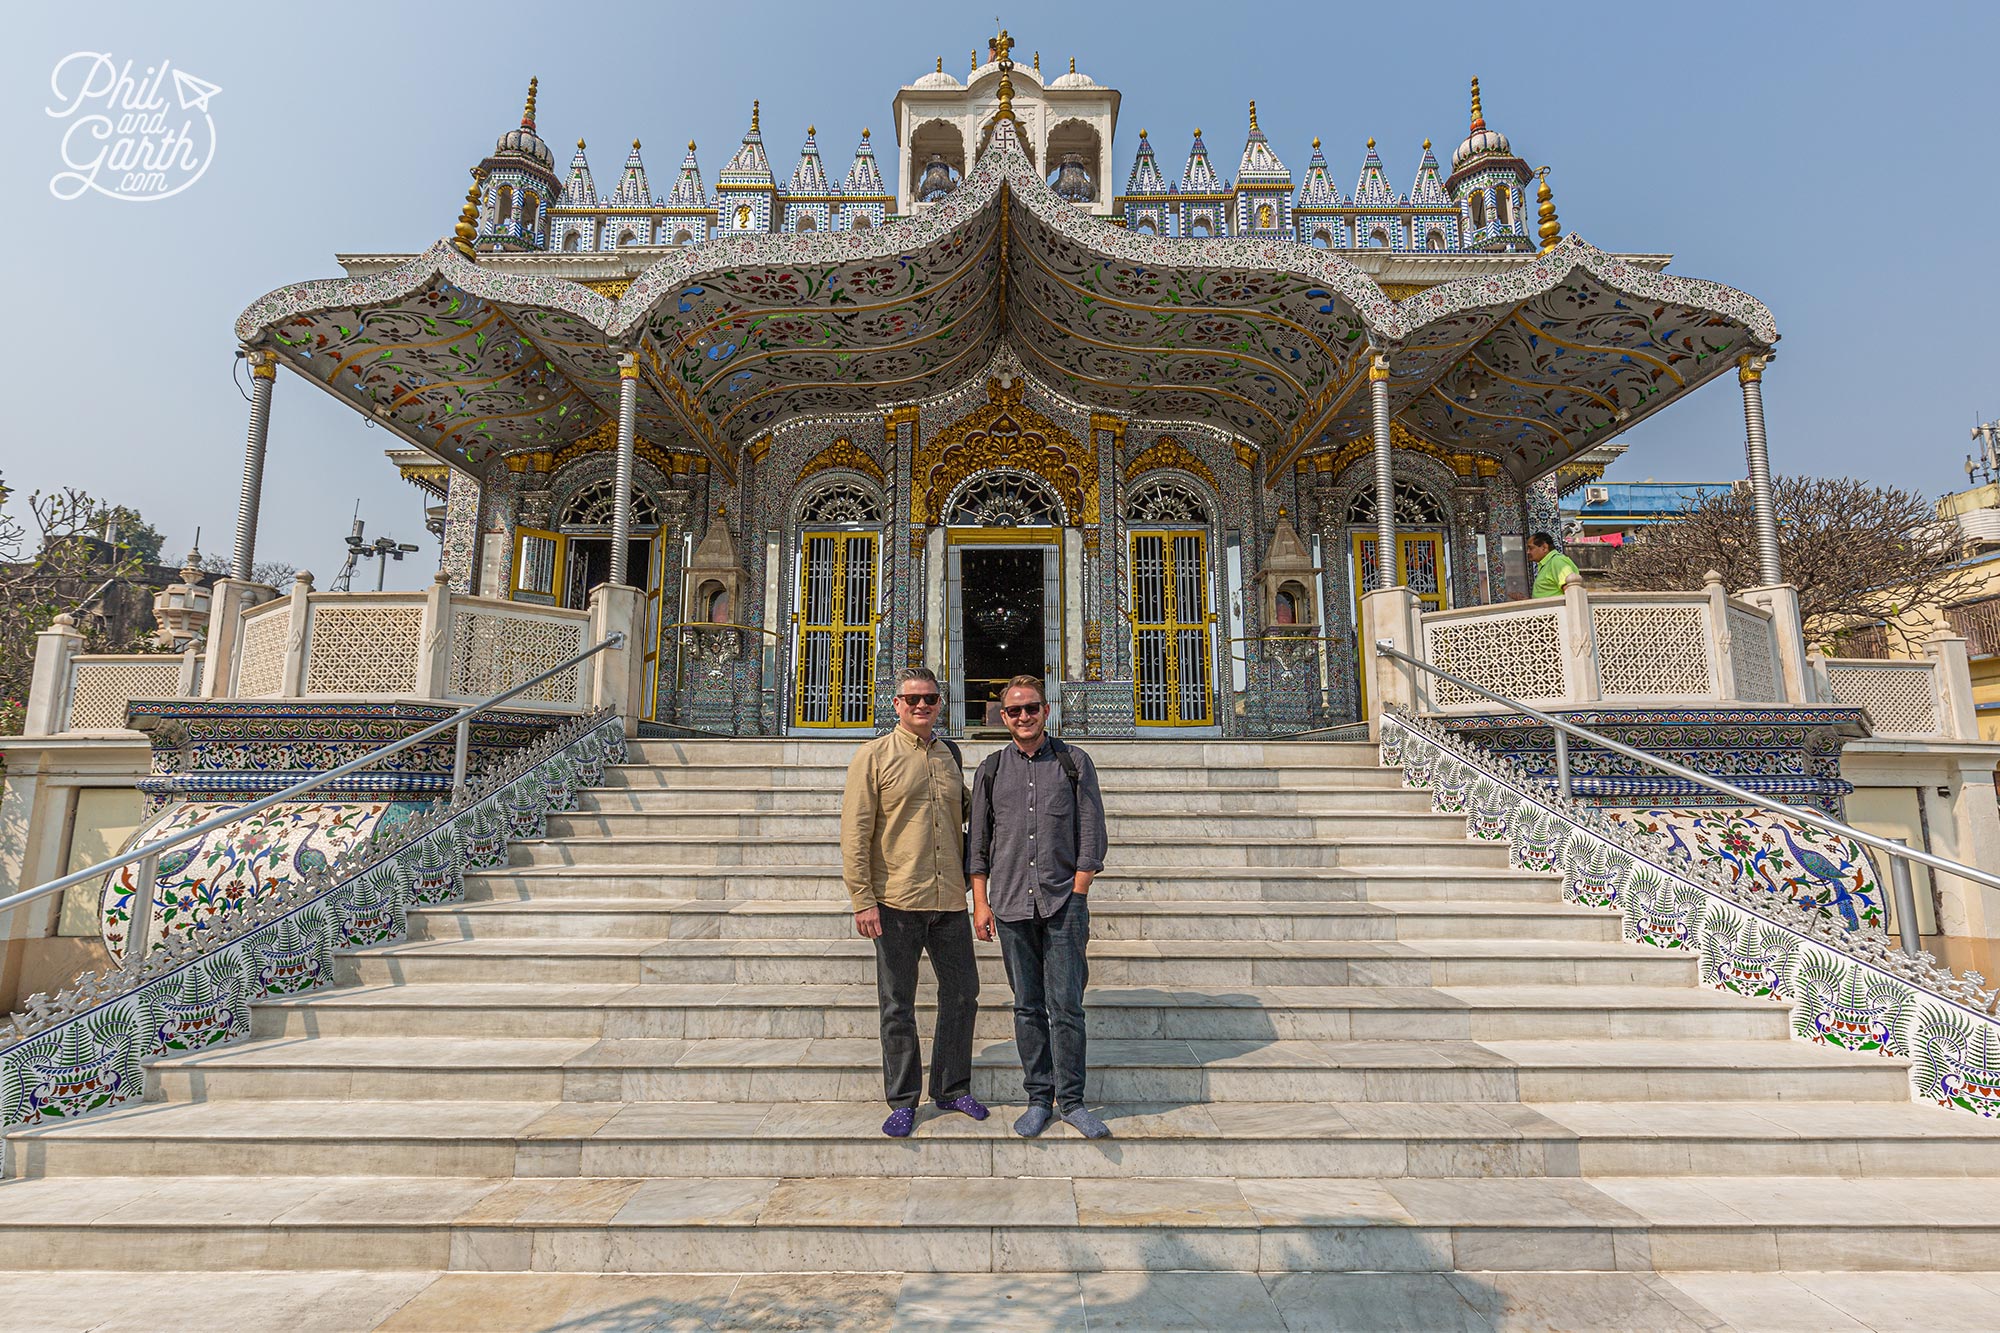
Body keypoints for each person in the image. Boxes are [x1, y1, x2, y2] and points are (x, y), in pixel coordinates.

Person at [840, 666, 987, 1138]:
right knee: (897, 1003)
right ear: (897, 704)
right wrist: (862, 899)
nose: (922, 706)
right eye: (913, 699)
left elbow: (968, 812)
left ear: (940, 703)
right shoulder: (874, 756)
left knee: (962, 994)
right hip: (896, 900)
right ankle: (903, 1099)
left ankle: (950, 1086)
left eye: (930, 698)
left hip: (947, 900)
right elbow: (856, 831)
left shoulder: (949, 755)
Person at [968, 674, 1111, 1139]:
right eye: (1015, 710)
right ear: (1003, 717)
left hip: (1063, 901)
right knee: (1027, 1006)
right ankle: (1037, 1097)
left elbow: (1092, 830)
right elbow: (979, 844)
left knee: (1066, 1005)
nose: (1024, 717)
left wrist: (1081, 888)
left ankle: (1071, 1100)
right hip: (1009, 904)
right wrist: (980, 904)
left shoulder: (1074, 762)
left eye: (1031, 708)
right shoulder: (990, 770)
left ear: (1046, 711)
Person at [1525, 532, 1581, 600]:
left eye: (1531, 548)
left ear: (1544, 547)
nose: (1528, 552)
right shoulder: (1547, 564)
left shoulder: (1557, 561)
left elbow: (1571, 591)